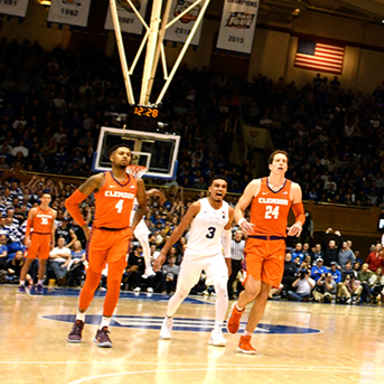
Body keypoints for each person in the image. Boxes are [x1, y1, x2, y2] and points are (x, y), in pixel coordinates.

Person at [64, 146, 149, 347]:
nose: (125, 156)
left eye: (128, 154)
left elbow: (143, 206)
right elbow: (70, 203)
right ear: (111, 157)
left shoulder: (138, 183)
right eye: (121, 153)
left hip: (121, 236)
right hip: (99, 234)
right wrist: (84, 226)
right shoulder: (99, 179)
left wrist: (132, 228)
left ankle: (104, 328)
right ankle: (79, 321)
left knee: (114, 281)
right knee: (92, 280)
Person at [227, 150, 305, 355]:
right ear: (270, 166)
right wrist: (241, 221)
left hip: (278, 244)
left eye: (284, 161)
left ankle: (246, 338)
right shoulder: (256, 184)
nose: (281, 163)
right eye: (278, 160)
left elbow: (300, 215)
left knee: (264, 295)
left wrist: (298, 223)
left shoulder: (294, 188)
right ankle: (238, 308)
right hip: (256, 242)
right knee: (252, 289)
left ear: (286, 167)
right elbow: (239, 208)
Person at [152, 177, 233, 346]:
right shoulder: (198, 206)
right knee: (182, 292)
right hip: (194, 254)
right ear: (210, 189)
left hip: (214, 255)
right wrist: (164, 252)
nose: (220, 189)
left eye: (223, 187)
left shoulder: (229, 210)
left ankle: (217, 330)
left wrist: (228, 261)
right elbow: (180, 229)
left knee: (221, 288)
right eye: (217, 186)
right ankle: (168, 319)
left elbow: (226, 237)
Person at [19, 191, 55, 294]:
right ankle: (21, 282)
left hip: (46, 237)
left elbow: (52, 228)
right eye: (45, 198)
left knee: (43, 262)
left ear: (50, 200)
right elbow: (28, 225)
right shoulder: (34, 210)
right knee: (28, 260)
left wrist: (53, 241)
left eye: (48, 198)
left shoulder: (53, 212)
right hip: (35, 236)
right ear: (41, 199)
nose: (46, 200)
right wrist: (27, 238)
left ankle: (40, 283)